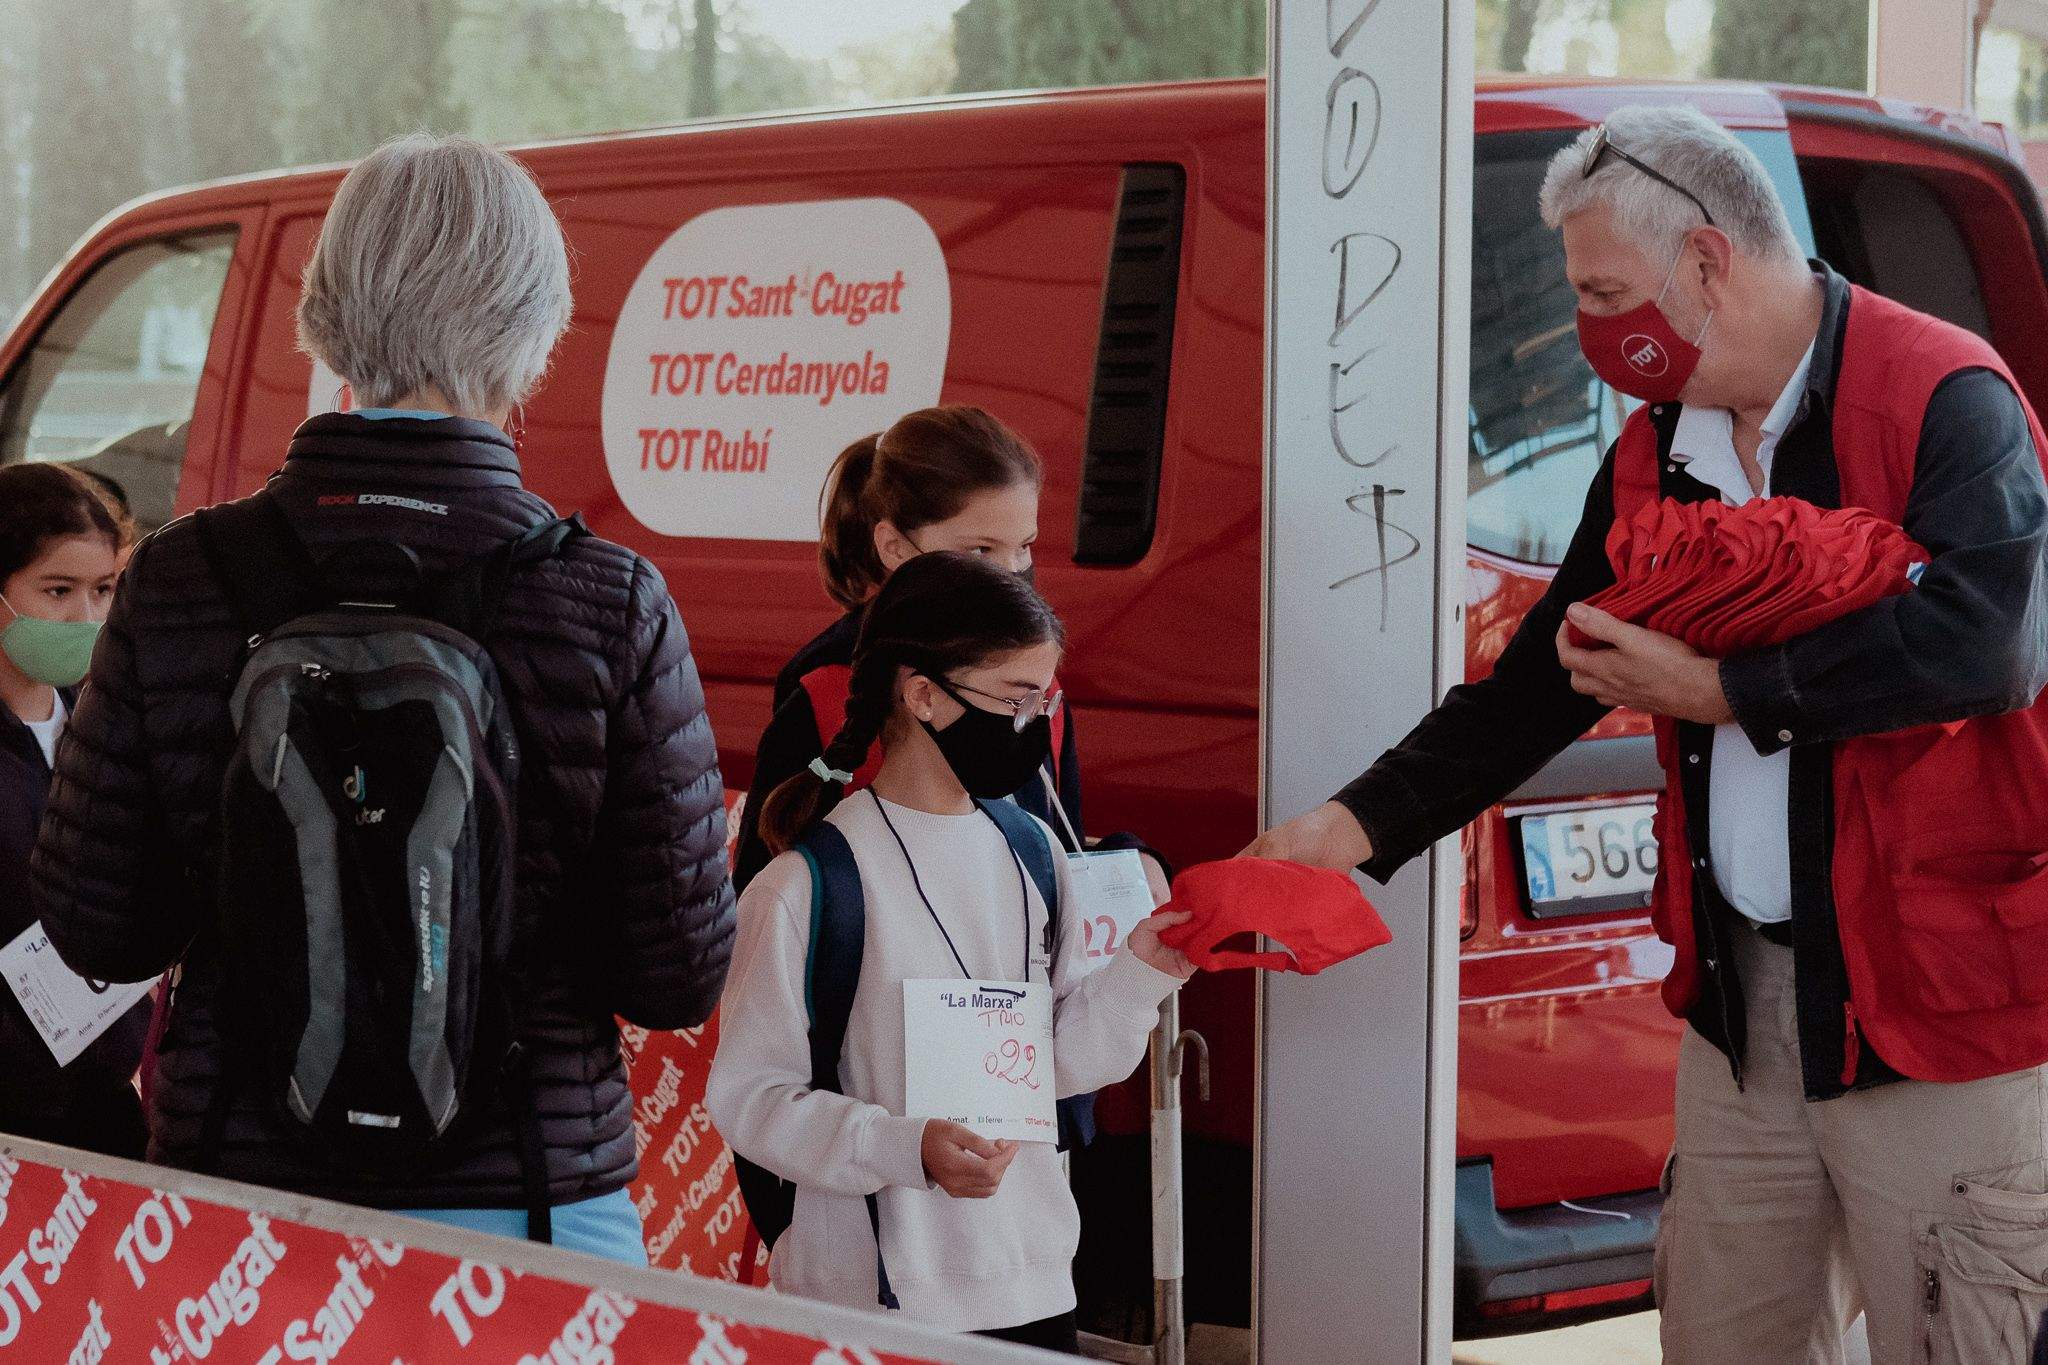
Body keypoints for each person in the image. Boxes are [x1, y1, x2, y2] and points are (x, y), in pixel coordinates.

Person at [1248, 105, 2048, 1365]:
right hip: (1744, 1016)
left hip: (1942, 1020)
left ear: (1705, 263)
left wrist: (1731, 691)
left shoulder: (1943, 394)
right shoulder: (1655, 449)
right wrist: (1347, 831)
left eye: (1602, 290)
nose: (1583, 327)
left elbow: (1988, 646)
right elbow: (1536, 683)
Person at [30, 133, 735, 1263]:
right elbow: (673, 976)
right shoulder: (608, 599)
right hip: (533, 1218)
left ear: (326, 309)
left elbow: (98, 925)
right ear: (533, 325)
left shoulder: (181, 577)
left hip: (240, 1210)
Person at [707, 551, 1192, 1353]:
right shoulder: (804, 888)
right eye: (1015, 698)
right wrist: (908, 1146)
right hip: (867, 1302)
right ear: (922, 693)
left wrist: (1145, 969)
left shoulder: (1033, 850)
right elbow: (751, 1098)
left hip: (1032, 1280)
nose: (1034, 724)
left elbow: (1056, 1061)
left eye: (1043, 700)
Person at [730, 406, 1168, 904]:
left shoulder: (1036, 679)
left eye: (1024, 546)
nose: (1009, 573)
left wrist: (1133, 860)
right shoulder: (823, 686)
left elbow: (1058, 856)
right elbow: (762, 895)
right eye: (980, 551)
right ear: (895, 547)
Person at [0, 463, 148, 1155]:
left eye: (103, 590)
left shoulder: (103, 724)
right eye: (57, 590)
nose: (85, 618)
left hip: (102, 1109)